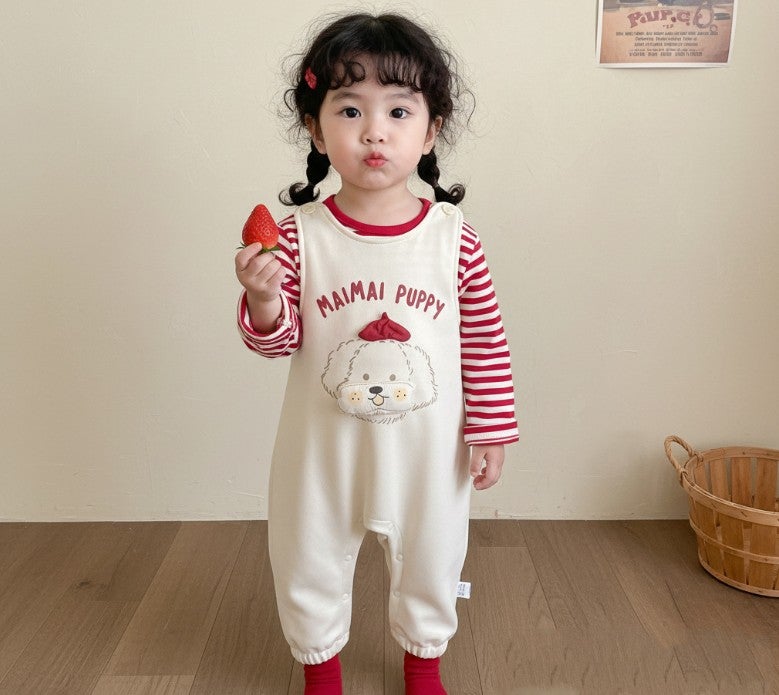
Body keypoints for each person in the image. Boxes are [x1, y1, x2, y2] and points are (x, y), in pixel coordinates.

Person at [234, 12, 518, 695]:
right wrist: (263, 297)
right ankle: (320, 670)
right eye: (349, 109)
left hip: (429, 446)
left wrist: (491, 429)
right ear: (315, 128)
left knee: (431, 554)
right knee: (307, 553)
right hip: (321, 446)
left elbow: (484, 340)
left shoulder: (454, 238)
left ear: (431, 130)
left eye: (397, 110)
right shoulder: (298, 238)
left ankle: (423, 665)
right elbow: (277, 341)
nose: (374, 131)